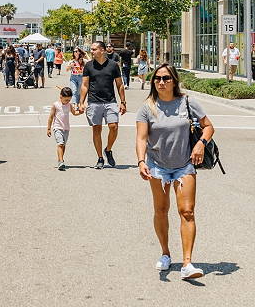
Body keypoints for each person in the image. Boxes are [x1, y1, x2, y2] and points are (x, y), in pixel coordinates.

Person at [136, 63, 215, 280]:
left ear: (174, 81)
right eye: (157, 78)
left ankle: (187, 263)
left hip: (184, 165)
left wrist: (200, 144)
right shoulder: (147, 107)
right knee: (161, 210)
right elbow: (141, 138)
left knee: (187, 211)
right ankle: (165, 253)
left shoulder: (187, 102)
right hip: (157, 166)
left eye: (166, 78)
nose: (161, 82)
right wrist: (141, 161)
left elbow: (208, 127)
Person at [79, 41, 127, 169]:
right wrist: (81, 102)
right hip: (94, 101)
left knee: (113, 127)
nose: (91, 51)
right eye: (91, 49)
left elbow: (119, 84)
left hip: (110, 101)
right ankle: (100, 158)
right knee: (97, 129)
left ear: (102, 50)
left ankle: (108, 149)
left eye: (94, 49)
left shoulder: (113, 65)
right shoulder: (88, 66)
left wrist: (123, 102)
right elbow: (85, 85)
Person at [47, 86, 83, 170]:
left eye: (69, 100)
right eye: (66, 100)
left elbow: (74, 113)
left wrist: (80, 112)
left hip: (66, 128)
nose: (67, 101)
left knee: (63, 145)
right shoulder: (56, 105)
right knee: (60, 144)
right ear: (61, 97)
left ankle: (61, 160)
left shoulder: (69, 105)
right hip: (57, 127)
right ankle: (61, 161)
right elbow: (51, 117)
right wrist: (48, 128)